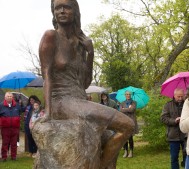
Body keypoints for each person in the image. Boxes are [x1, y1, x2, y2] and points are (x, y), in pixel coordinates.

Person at [38, 0, 134, 168]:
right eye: (57, 8)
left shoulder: (80, 43)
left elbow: (85, 83)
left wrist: (90, 53)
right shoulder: (50, 36)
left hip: (79, 100)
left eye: (66, 7)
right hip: (61, 101)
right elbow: (46, 75)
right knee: (127, 125)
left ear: (75, 11)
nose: (61, 11)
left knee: (115, 132)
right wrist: (48, 112)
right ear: (53, 12)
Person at [161, 88, 187, 169]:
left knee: (187, 157)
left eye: (181, 96)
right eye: (178, 96)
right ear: (174, 95)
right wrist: (174, 121)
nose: (180, 98)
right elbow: (163, 118)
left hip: (186, 135)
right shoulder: (167, 105)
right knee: (174, 158)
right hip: (173, 136)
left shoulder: (187, 104)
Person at [0, 92, 22, 161]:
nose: (9, 97)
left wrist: (21, 103)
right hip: (5, 128)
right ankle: (4, 157)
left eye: (10, 96)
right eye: (8, 96)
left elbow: (20, 112)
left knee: (14, 143)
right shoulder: (1, 105)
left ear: (12, 97)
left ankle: (13, 156)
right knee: (5, 143)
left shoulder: (17, 105)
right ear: (5, 97)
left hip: (15, 127)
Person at [119, 91, 138, 158]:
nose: (128, 95)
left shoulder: (134, 102)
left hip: (131, 121)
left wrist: (125, 109)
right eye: (127, 94)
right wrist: (128, 109)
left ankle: (131, 151)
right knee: (124, 137)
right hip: (124, 121)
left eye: (129, 94)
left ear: (131, 95)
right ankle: (126, 151)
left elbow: (132, 110)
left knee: (130, 137)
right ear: (125, 95)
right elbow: (120, 110)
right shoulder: (122, 103)